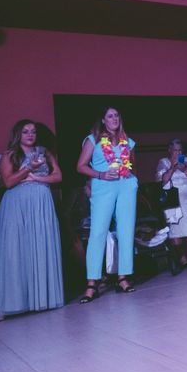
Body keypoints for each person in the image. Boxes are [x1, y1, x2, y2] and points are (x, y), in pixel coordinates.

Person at [0, 120, 64, 317]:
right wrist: (28, 168)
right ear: (18, 134)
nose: (30, 135)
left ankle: (44, 299)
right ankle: (18, 301)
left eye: (33, 132)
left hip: (42, 205)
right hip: (17, 206)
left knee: (41, 245)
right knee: (17, 249)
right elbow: (8, 182)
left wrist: (37, 178)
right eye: (26, 131)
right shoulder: (10, 155)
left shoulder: (44, 152)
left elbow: (58, 176)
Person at [76, 107, 138, 303]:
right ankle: (92, 283)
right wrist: (101, 174)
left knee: (126, 231)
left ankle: (123, 277)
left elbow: (133, 165)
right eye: (110, 116)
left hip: (126, 186)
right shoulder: (92, 139)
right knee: (98, 233)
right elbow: (80, 166)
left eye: (117, 115)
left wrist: (130, 176)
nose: (114, 118)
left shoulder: (127, 141)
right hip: (103, 186)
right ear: (103, 120)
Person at [156, 139, 187, 268]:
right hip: (172, 200)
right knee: (176, 229)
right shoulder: (163, 162)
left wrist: (185, 169)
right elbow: (161, 180)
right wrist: (173, 167)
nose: (178, 152)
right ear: (170, 150)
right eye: (176, 150)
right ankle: (182, 258)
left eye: (180, 150)